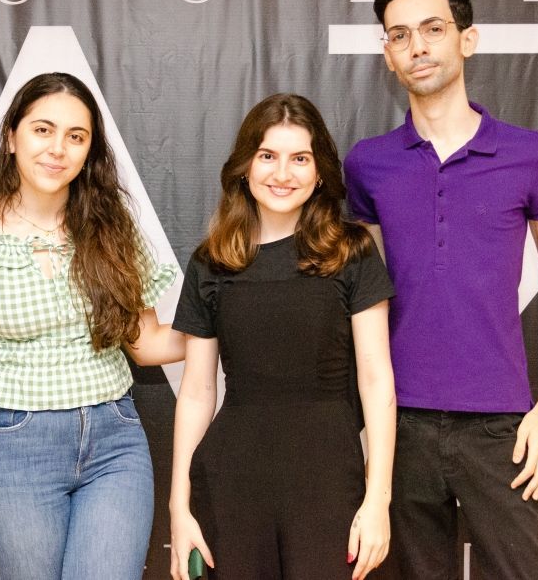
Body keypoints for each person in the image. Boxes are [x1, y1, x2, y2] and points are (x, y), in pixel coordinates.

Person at [0, 71, 184, 579]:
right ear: (11, 138)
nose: (58, 149)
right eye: (42, 130)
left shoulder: (111, 226)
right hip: (10, 448)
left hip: (113, 443)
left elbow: (145, 344)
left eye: (76, 137)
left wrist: (226, 324)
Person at [344, 0, 538, 578]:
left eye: (432, 29)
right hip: (401, 421)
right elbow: (366, 297)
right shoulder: (368, 165)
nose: (417, 46)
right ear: (388, 55)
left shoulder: (533, 153)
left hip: (501, 423)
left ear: (465, 39)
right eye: (399, 35)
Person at [169, 93, 397, 580]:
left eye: (299, 159)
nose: (282, 173)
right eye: (267, 156)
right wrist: (179, 505)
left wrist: (378, 498)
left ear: (320, 174)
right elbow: (196, 391)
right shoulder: (211, 262)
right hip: (231, 483)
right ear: (245, 167)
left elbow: (377, 381)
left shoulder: (351, 252)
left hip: (329, 483)